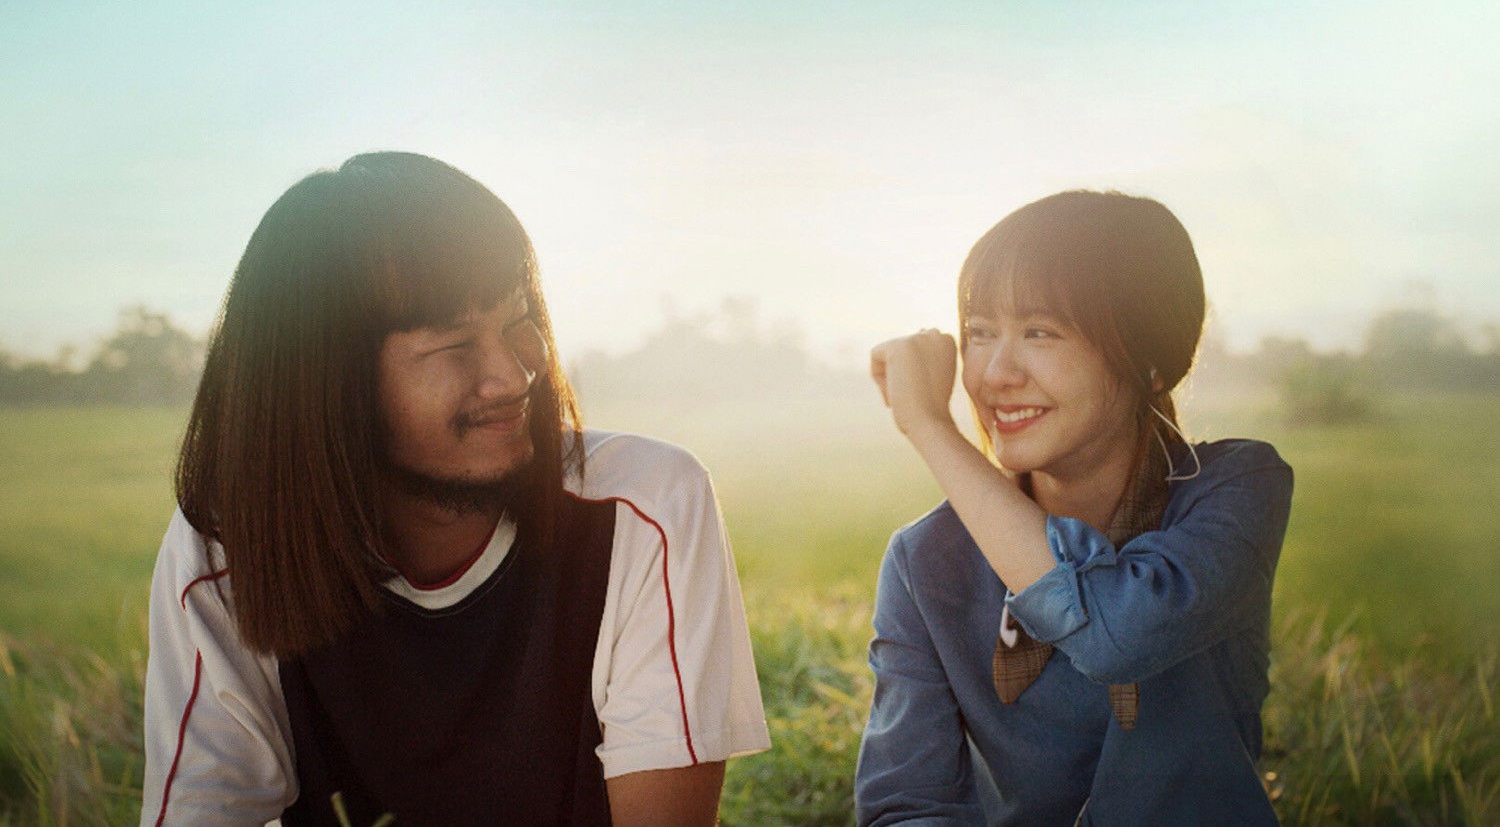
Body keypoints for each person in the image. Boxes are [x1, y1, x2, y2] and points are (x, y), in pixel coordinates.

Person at [141, 152, 769, 826]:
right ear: (327, 384)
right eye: (454, 345)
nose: (514, 376)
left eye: (518, 321)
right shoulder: (230, 546)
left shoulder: (643, 507)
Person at [858, 191, 1293, 825]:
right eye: (979, 332)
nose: (995, 374)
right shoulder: (926, 559)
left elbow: (1119, 633)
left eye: (1040, 331)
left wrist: (930, 427)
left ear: (1151, 362)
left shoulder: (1232, 490)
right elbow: (908, 804)